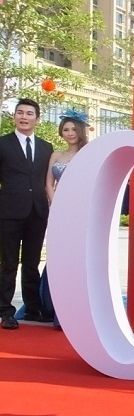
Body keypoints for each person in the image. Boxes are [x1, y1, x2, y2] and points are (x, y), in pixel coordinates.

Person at [0, 98, 54, 329]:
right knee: (9, 263)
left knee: (32, 263)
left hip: (37, 212)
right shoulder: (3, 144)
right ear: (14, 116)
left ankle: (33, 308)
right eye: (20, 112)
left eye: (29, 113)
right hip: (9, 212)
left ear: (37, 119)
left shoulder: (46, 147)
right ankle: (6, 312)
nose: (24, 117)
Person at [41, 110, 91, 327]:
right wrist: (57, 206)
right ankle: (55, 308)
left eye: (73, 129)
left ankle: (77, 310)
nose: (69, 133)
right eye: (65, 129)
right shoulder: (56, 155)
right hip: (58, 214)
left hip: (81, 211)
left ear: (80, 131)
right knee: (59, 256)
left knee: (77, 258)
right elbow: (48, 184)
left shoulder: (89, 153)